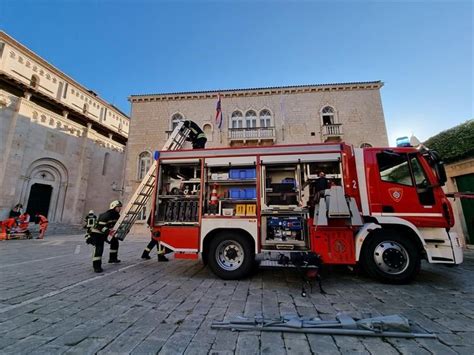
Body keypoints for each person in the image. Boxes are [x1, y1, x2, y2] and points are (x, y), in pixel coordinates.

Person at [89, 200, 122, 273]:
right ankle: (96, 266)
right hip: (97, 233)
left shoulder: (117, 216)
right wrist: (109, 232)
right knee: (99, 248)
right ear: (113, 207)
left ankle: (112, 258)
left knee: (115, 242)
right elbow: (100, 227)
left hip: (106, 232)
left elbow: (116, 226)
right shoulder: (106, 215)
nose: (120, 209)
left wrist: (123, 230)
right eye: (118, 207)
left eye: (120, 207)